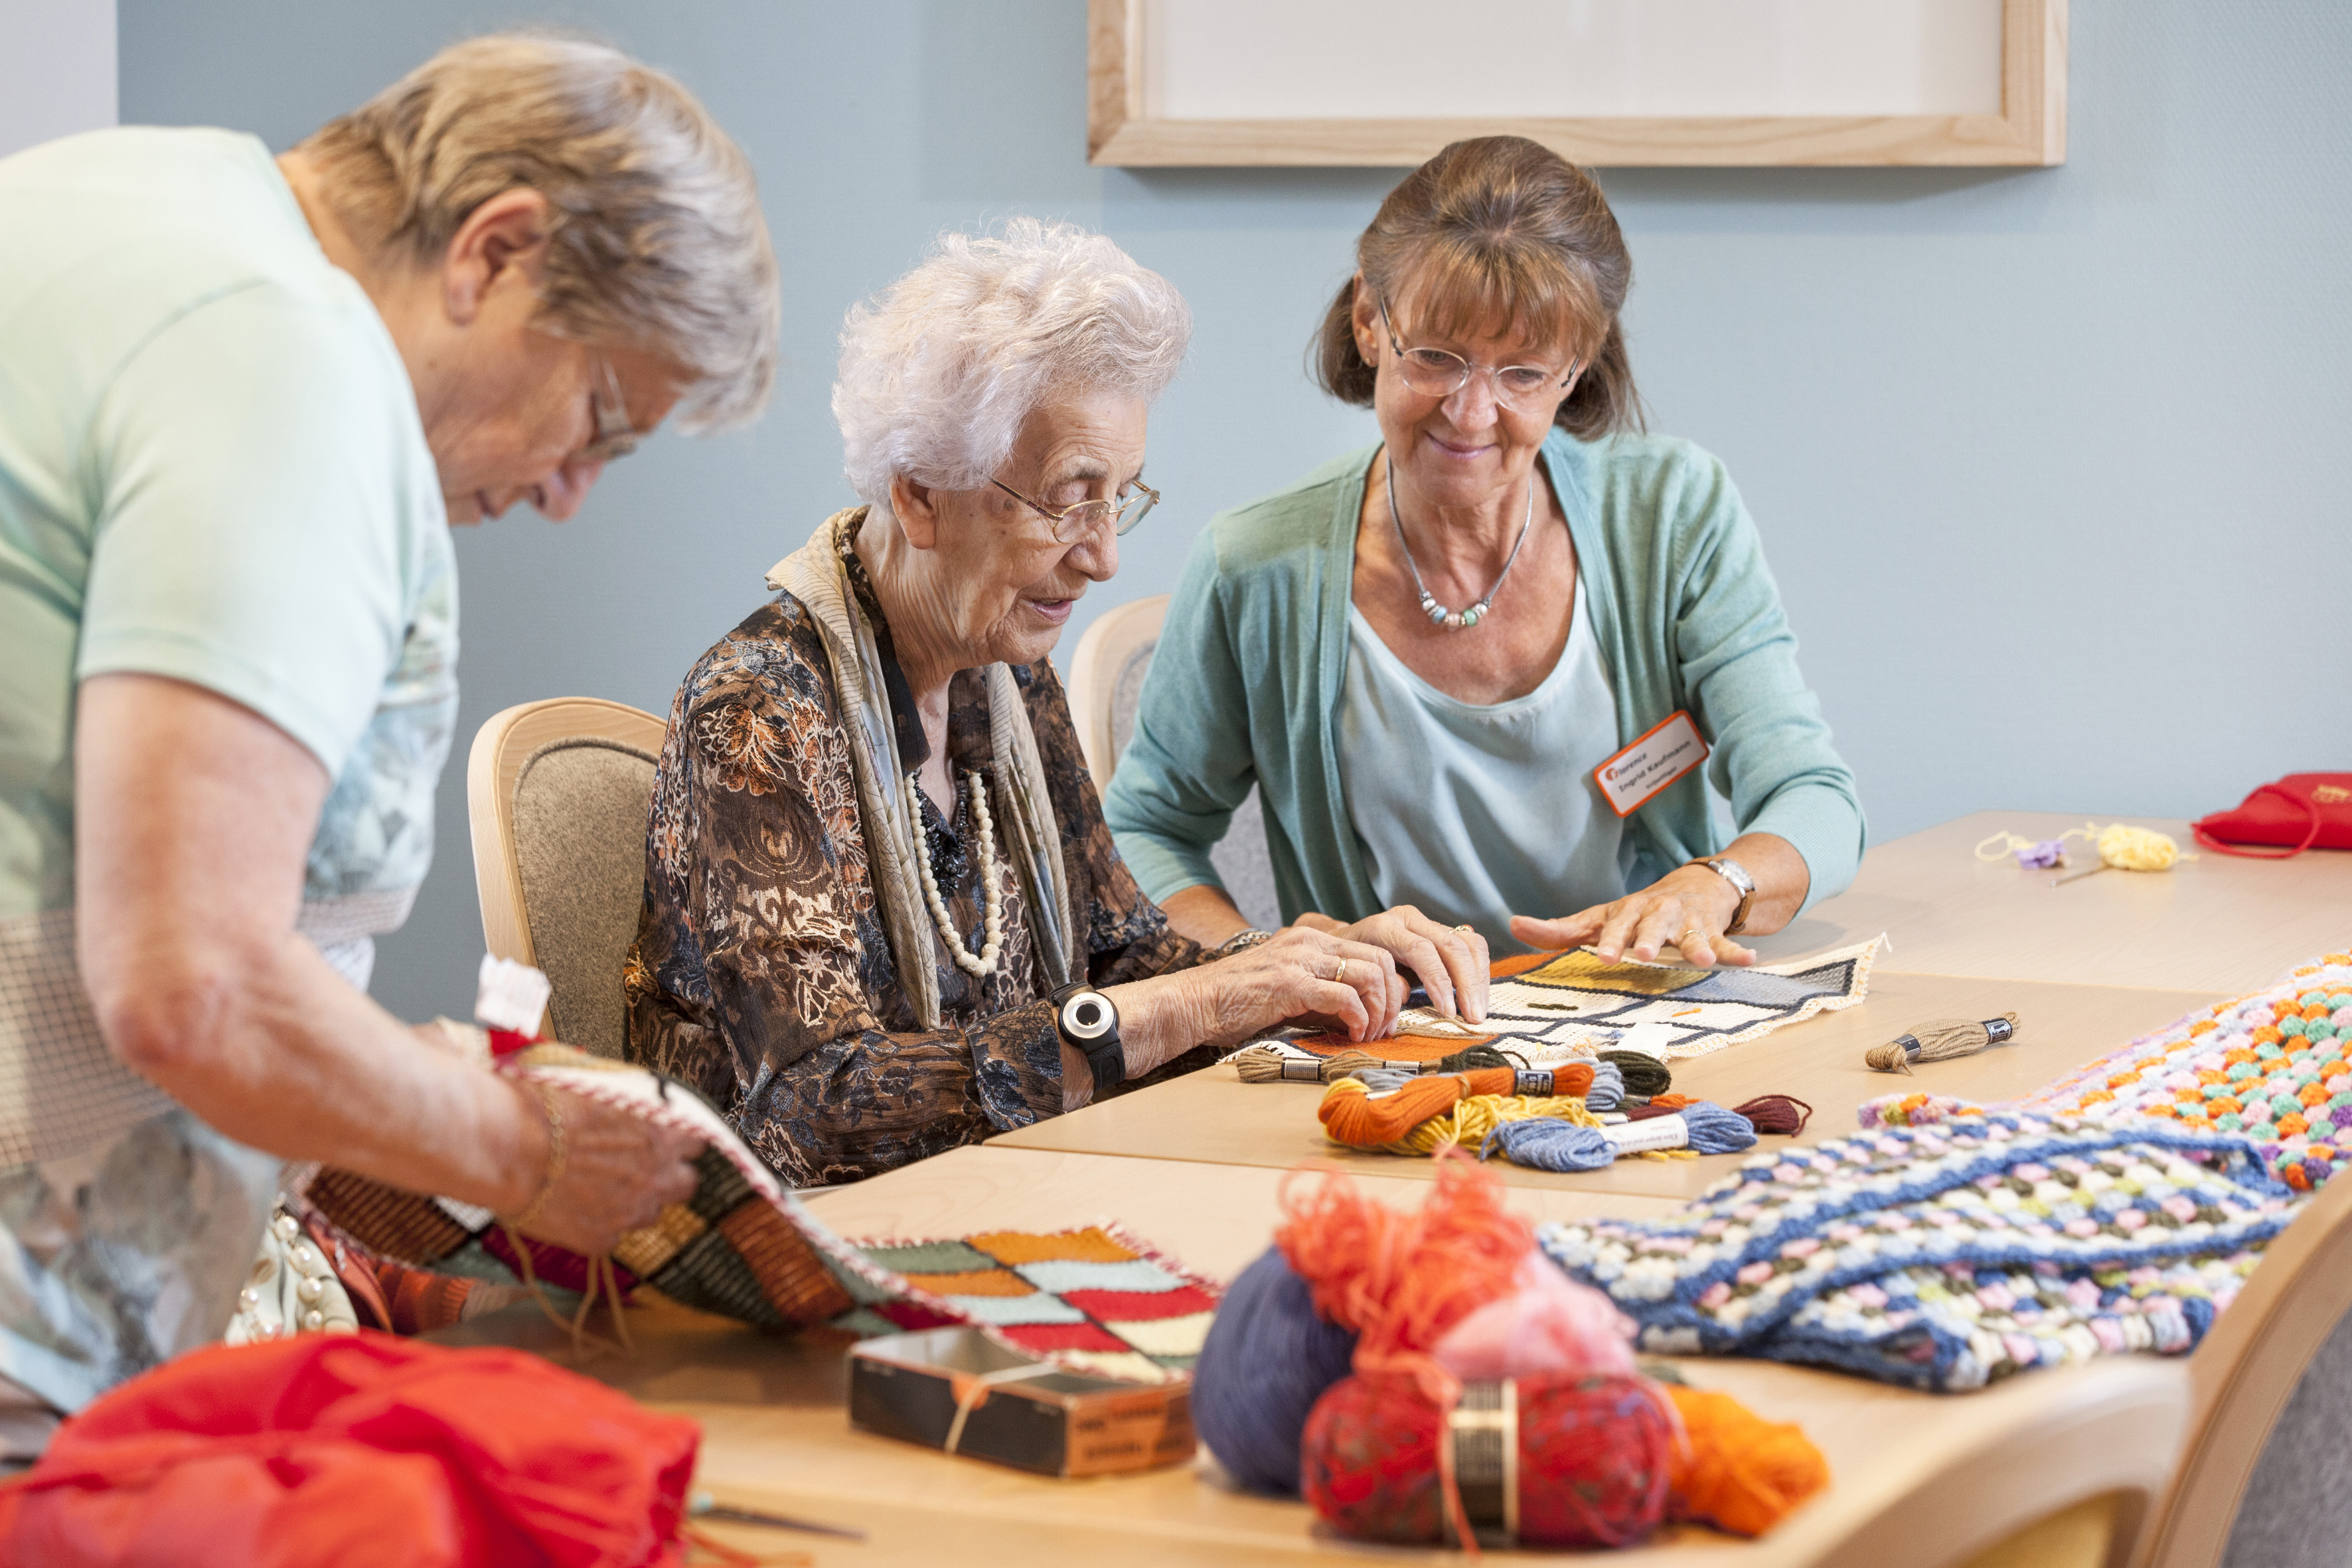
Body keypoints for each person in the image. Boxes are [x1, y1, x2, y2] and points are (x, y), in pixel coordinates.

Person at [0, 34, 777, 1433]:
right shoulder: (288, 359)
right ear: (496, 250)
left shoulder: (110, 204)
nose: (567, 493)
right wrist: (522, 1146)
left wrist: (393, 1079)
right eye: (598, 418)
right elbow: (193, 985)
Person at [624, 220, 1476, 1188]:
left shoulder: (1005, 670)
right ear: (918, 494)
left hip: (1012, 1191)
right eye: (1068, 500)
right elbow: (812, 1109)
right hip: (785, 1264)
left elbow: (1118, 955)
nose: (1104, 554)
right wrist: (1201, 1003)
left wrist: (1298, 965)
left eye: (1119, 497)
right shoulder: (759, 715)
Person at [1105, 137, 1865, 972]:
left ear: (1576, 368)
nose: (1471, 412)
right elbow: (1144, 832)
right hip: (1395, 1050)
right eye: (1437, 357)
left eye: (1523, 373)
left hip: (1642, 1011)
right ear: (1369, 322)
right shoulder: (1256, 565)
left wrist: (1714, 882)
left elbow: (1814, 798)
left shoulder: (1672, 512)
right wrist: (1268, 953)